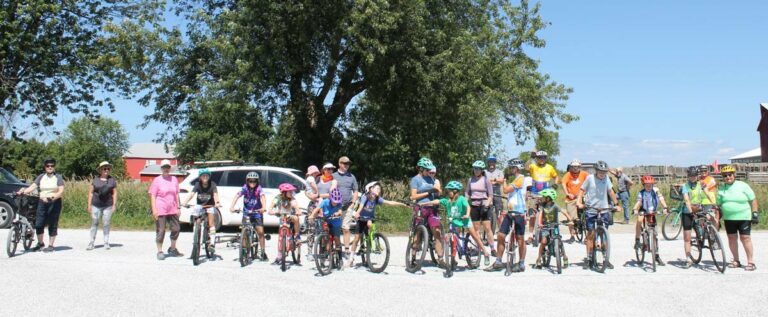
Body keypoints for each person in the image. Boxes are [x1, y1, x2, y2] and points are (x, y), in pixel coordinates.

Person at [426, 181, 491, 267]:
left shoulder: (461, 199)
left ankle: (485, 252)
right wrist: (423, 204)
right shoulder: (447, 201)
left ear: (455, 191)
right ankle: (453, 258)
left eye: (449, 191)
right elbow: (437, 201)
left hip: (464, 220)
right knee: (453, 238)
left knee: (475, 236)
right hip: (454, 221)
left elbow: (468, 206)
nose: (448, 192)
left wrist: (467, 215)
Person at [577, 160, 622, 269]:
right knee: (591, 235)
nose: (602, 174)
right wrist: (579, 202)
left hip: (604, 209)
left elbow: (610, 192)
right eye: (600, 171)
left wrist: (616, 204)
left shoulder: (606, 179)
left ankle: (605, 258)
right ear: (596, 171)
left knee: (604, 236)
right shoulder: (590, 178)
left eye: (604, 172)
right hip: (591, 209)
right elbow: (582, 190)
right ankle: (589, 258)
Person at [487, 159, 528, 272]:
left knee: (520, 239)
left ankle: (521, 263)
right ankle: (499, 261)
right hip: (510, 212)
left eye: (511, 168)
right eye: (510, 168)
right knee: (500, 235)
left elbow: (505, 190)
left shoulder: (520, 179)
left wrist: (503, 181)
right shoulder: (515, 179)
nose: (510, 169)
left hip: (519, 213)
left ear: (517, 168)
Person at [349, 181, 408, 261]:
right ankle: (351, 258)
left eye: (379, 189)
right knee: (356, 238)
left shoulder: (377, 199)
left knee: (369, 229)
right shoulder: (365, 196)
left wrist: (402, 204)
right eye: (377, 188)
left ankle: (369, 250)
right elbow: (361, 206)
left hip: (370, 218)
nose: (379, 190)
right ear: (371, 189)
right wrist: (357, 214)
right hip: (361, 218)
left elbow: (389, 203)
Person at [17, 158, 65, 252]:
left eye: (52, 166)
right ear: (45, 167)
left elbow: (61, 191)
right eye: (48, 166)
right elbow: (33, 186)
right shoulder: (41, 176)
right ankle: (40, 243)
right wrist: (22, 192)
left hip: (54, 202)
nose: (50, 167)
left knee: (52, 223)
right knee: (39, 223)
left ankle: (51, 245)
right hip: (42, 202)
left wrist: (52, 197)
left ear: (54, 167)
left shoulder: (58, 177)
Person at [717, 165, 759, 271]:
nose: (728, 177)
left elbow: (753, 199)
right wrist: (717, 219)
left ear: (734, 175)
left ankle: (750, 262)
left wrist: (754, 213)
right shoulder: (721, 188)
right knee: (732, 239)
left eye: (730, 175)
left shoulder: (743, 185)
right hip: (729, 218)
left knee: (745, 238)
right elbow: (718, 205)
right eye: (725, 175)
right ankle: (736, 260)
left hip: (744, 217)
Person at [409, 157, 445, 267]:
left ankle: (440, 258)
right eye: (426, 169)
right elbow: (413, 196)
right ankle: (413, 257)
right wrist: (428, 193)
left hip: (432, 208)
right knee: (418, 232)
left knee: (437, 232)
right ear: (421, 169)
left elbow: (437, 193)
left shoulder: (432, 179)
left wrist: (437, 191)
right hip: (420, 208)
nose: (429, 171)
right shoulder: (415, 180)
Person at [148, 159, 182, 260]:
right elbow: (153, 195)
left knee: (176, 228)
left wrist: (178, 207)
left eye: (167, 167)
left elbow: (176, 194)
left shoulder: (174, 179)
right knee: (161, 230)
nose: (166, 169)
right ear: (161, 169)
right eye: (164, 167)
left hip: (172, 207)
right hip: (161, 207)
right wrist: (154, 210)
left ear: (170, 168)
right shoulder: (157, 180)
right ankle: (159, 251)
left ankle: (172, 248)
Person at [229, 171, 268, 261]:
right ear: (247, 181)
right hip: (246, 212)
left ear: (257, 182)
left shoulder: (259, 189)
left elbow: (263, 197)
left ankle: (262, 251)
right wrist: (232, 207)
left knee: (261, 232)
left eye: (254, 181)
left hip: (257, 212)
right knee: (244, 231)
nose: (252, 183)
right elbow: (237, 196)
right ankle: (243, 251)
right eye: (250, 181)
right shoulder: (245, 188)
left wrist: (264, 207)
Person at [632, 175, 668, 266]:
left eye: (650, 184)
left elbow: (661, 198)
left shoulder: (656, 190)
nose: (649, 186)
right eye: (647, 185)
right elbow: (639, 202)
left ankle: (656, 256)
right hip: (643, 210)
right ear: (643, 185)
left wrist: (665, 207)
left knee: (655, 234)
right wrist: (635, 209)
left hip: (653, 211)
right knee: (639, 220)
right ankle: (637, 240)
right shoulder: (641, 193)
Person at [534, 188, 571, 269]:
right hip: (545, 227)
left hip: (555, 226)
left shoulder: (555, 206)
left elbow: (564, 212)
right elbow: (540, 214)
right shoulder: (542, 206)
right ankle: (539, 258)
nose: (542, 198)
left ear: (548, 198)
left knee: (559, 241)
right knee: (543, 242)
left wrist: (570, 220)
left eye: (544, 197)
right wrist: (540, 223)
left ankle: (565, 257)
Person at [527, 150, 559, 244]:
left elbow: (556, 176)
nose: (542, 159)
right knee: (532, 214)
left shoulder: (550, 167)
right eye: (540, 158)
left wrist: (555, 184)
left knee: (548, 213)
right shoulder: (533, 166)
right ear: (537, 158)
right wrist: (531, 158)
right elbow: (526, 167)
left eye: (544, 157)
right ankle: (530, 235)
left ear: (546, 158)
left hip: (546, 194)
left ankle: (549, 232)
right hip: (534, 193)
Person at [268, 183, 302, 265]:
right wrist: (272, 211)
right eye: (289, 192)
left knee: (296, 218)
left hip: (291, 216)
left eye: (292, 191)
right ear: (284, 192)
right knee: (280, 237)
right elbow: (270, 208)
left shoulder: (292, 199)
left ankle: (297, 236)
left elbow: (297, 208)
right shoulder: (277, 198)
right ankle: (279, 255)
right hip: (282, 217)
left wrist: (298, 211)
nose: (291, 193)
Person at [333, 156, 359, 261]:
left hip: (348, 206)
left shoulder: (351, 177)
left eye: (348, 164)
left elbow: (356, 191)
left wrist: (353, 202)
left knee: (346, 228)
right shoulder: (333, 176)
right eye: (344, 163)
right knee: (335, 229)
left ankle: (347, 250)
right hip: (335, 206)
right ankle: (336, 248)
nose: (346, 165)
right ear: (339, 164)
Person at [466, 160, 495, 254]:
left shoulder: (486, 180)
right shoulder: (470, 180)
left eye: (478, 169)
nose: (476, 170)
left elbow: (490, 195)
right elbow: (467, 193)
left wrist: (487, 204)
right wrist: (465, 202)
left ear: (482, 170)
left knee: (487, 227)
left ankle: (492, 248)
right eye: (475, 169)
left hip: (484, 204)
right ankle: (478, 248)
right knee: (476, 228)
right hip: (474, 205)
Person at [87, 161, 117, 250]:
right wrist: (89, 205)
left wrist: (114, 204)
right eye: (104, 168)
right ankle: (91, 242)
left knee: (106, 223)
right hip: (96, 205)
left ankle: (106, 242)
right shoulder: (95, 180)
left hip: (108, 205)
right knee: (94, 223)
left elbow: (114, 193)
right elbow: (91, 193)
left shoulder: (112, 180)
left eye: (108, 168)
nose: (106, 170)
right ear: (100, 170)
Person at [181, 168, 221, 235]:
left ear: (209, 177)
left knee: (211, 223)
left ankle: (212, 241)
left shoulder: (212, 184)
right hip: (200, 205)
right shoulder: (197, 184)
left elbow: (215, 194)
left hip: (210, 205)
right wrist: (185, 202)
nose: (205, 177)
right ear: (200, 177)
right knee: (196, 217)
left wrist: (217, 202)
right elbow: (192, 194)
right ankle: (196, 231)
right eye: (203, 176)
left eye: (206, 176)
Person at [681, 166, 705, 267]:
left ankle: (703, 239)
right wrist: (691, 212)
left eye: (694, 175)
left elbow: (707, 193)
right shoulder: (685, 186)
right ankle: (687, 259)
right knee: (687, 237)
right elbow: (686, 200)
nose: (693, 177)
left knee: (702, 232)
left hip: (699, 210)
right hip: (688, 212)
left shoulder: (701, 184)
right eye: (691, 175)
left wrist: (713, 204)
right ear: (688, 176)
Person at [309, 188, 345, 254]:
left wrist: (337, 213)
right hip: (326, 220)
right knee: (324, 233)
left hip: (335, 222)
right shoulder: (325, 202)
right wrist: (312, 216)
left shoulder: (339, 204)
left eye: (337, 202)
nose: (335, 203)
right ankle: (323, 249)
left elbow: (340, 211)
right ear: (330, 199)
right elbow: (317, 209)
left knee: (337, 237)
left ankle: (339, 256)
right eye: (334, 201)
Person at [561, 159, 588, 243]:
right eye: (573, 167)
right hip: (571, 198)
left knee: (589, 214)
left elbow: (590, 182)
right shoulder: (568, 174)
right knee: (570, 218)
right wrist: (567, 193)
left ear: (580, 167)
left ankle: (588, 236)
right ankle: (572, 235)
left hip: (582, 197)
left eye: (577, 167)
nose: (575, 169)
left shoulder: (584, 174)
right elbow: (563, 184)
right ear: (571, 167)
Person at [486, 156, 505, 226]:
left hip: (497, 192)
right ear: (488, 163)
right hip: (487, 193)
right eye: (490, 162)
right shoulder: (485, 172)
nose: (491, 163)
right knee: (486, 208)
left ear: (495, 163)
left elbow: (502, 181)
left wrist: (493, 180)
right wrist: (496, 180)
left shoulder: (499, 172)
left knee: (499, 210)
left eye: (493, 162)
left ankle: (500, 228)